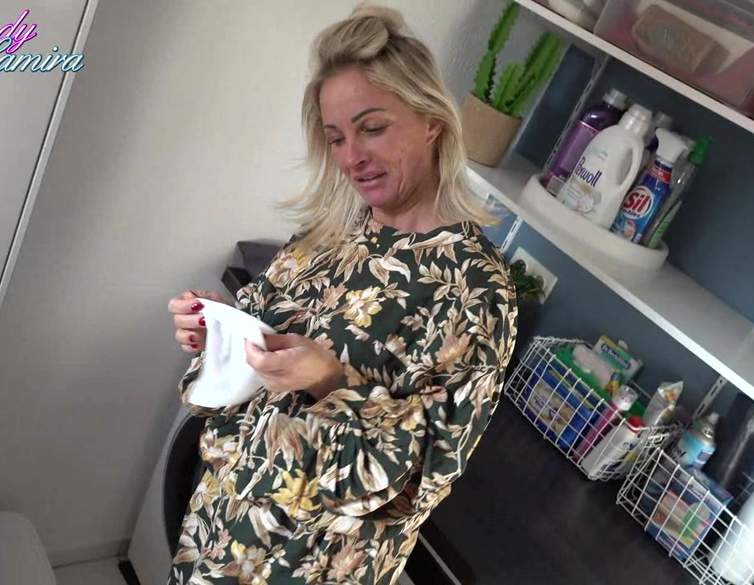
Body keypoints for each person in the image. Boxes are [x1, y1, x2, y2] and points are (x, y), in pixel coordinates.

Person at [166, 5, 517, 584]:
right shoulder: (332, 230)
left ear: (432, 120)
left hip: (305, 565)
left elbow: (417, 485)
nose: (352, 156)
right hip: (219, 532)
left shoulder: (474, 292)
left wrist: (329, 381)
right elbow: (261, 344)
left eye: (372, 128)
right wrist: (221, 330)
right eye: (336, 138)